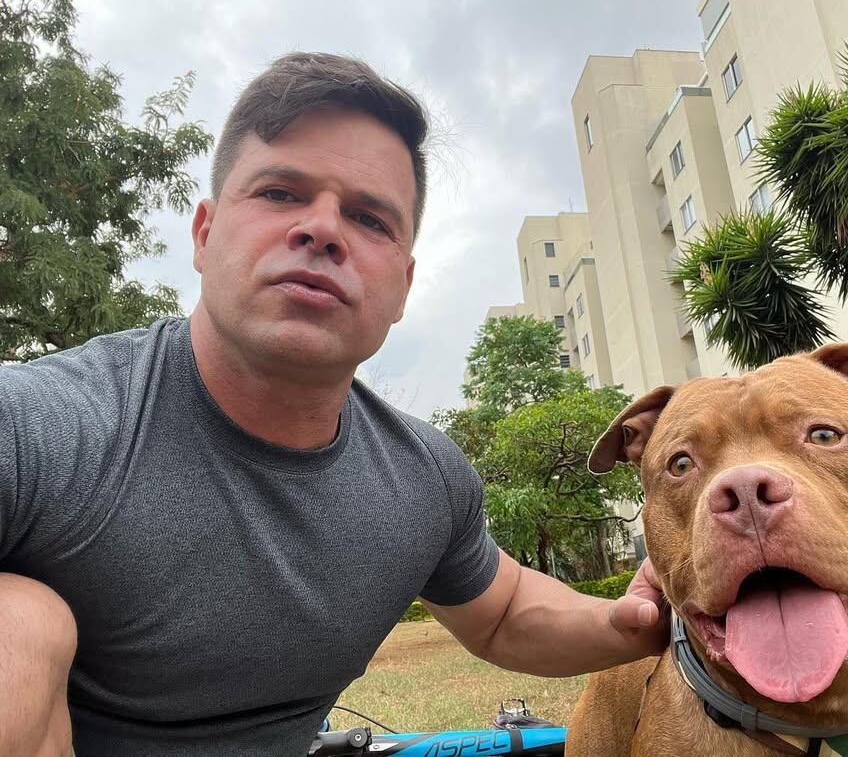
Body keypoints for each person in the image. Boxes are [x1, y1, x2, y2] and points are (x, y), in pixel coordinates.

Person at [0, 52, 666, 757]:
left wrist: (641, 616)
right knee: (19, 622)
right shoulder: (48, 426)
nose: (322, 230)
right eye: (279, 193)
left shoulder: (422, 479)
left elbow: (502, 612)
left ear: (403, 286)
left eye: (369, 218)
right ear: (204, 234)